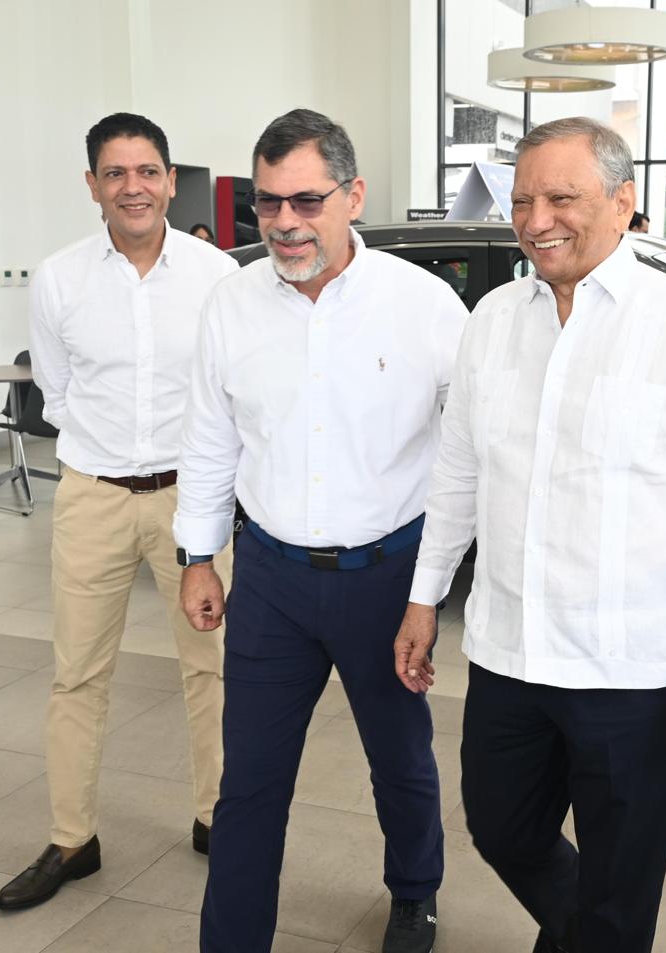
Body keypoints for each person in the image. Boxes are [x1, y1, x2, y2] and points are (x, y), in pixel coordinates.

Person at [393, 117, 666, 953]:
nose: (536, 221)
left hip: (633, 672)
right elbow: (457, 473)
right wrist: (424, 597)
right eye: (522, 201)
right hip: (510, 650)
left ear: (623, 202)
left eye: (561, 198)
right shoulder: (493, 318)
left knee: (621, 881)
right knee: (501, 826)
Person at [174, 107, 467, 953]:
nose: (285, 222)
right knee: (249, 782)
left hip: (387, 577)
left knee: (399, 759)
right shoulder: (231, 303)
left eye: (307, 200)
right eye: (267, 202)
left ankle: (414, 892)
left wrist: (430, 590)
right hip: (270, 579)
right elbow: (209, 438)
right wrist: (198, 554)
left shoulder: (424, 305)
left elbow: (465, 454)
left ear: (354, 195)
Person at [0, 113, 238, 911]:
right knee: (77, 674)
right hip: (92, 496)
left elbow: (230, 389)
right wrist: (108, 451)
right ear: (93, 185)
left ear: (169, 180)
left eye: (147, 171)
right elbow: (56, 389)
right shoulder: (59, 277)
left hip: (191, 499)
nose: (133, 187)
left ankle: (217, 816)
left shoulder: (216, 275)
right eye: (115, 173)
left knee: (211, 665)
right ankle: (73, 838)